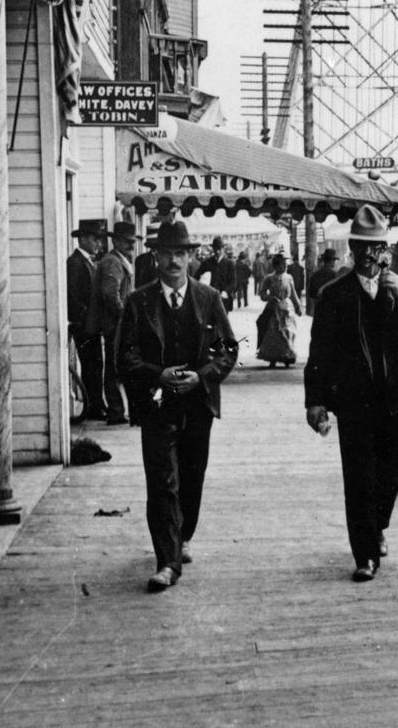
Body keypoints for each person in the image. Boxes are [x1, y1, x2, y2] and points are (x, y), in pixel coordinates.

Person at [304, 205, 398, 581]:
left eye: (376, 248)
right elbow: (319, 354)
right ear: (352, 248)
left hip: (396, 398)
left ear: (384, 250)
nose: (369, 256)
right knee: (359, 476)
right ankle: (365, 554)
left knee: (393, 472)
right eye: (362, 247)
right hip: (354, 401)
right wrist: (316, 402)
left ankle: (376, 528)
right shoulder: (334, 295)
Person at [116, 221, 238, 591]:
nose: (173, 260)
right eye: (166, 253)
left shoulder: (208, 297)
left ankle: (181, 536)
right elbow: (124, 356)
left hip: (198, 401)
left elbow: (227, 348)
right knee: (161, 480)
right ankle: (167, 562)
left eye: (180, 253)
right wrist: (158, 374)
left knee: (191, 474)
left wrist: (202, 376)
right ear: (155, 257)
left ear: (191, 257)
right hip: (157, 401)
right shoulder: (139, 301)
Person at [88, 221, 138, 425]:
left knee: (118, 367)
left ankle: (117, 410)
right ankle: (115, 411)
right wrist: (125, 317)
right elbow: (110, 294)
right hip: (115, 325)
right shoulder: (112, 262)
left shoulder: (120, 259)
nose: (131, 246)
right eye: (127, 242)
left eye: (132, 242)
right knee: (114, 368)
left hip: (118, 324)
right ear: (115, 241)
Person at [67, 218, 107, 421]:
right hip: (84, 326)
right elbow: (74, 296)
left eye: (99, 240)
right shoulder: (74, 262)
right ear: (82, 239)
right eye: (94, 239)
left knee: (96, 366)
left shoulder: (89, 262)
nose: (98, 244)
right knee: (90, 366)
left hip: (93, 325)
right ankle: (93, 407)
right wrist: (82, 320)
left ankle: (97, 404)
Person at [256, 253, 302, 367]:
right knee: (274, 332)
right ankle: (273, 358)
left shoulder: (289, 277)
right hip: (273, 308)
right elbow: (261, 293)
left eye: (285, 264)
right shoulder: (269, 278)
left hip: (287, 308)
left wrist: (298, 306)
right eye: (282, 264)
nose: (285, 266)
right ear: (276, 266)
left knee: (288, 331)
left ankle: (287, 356)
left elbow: (293, 293)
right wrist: (269, 298)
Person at [306, 247, 340, 316]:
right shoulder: (335, 276)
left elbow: (311, 294)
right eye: (334, 260)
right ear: (331, 261)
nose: (334, 263)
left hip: (319, 311)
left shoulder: (315, 275)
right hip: (332, 312)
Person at [212, 245, 238, 313]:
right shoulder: (207, 262)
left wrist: (226, 291)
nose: (217, 251)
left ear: (223, 249)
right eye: (215, 249)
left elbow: (233, 281)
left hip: (224, 298)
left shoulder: (229, 263)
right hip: (210, 298)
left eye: (219, 249)